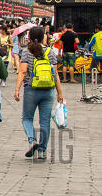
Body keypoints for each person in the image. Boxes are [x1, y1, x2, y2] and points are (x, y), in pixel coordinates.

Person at [15, 26, 65, 161]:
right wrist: (60, 93)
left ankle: (32, 140)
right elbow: (55, 75)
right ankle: (42, 151)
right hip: (48, 91)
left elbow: (23, 71)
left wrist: (17, 89)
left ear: (29, 37)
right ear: (44, 37)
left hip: (31, 89)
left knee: (27, 118)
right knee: (45, 122)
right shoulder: (50, 52)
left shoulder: (26, 52)